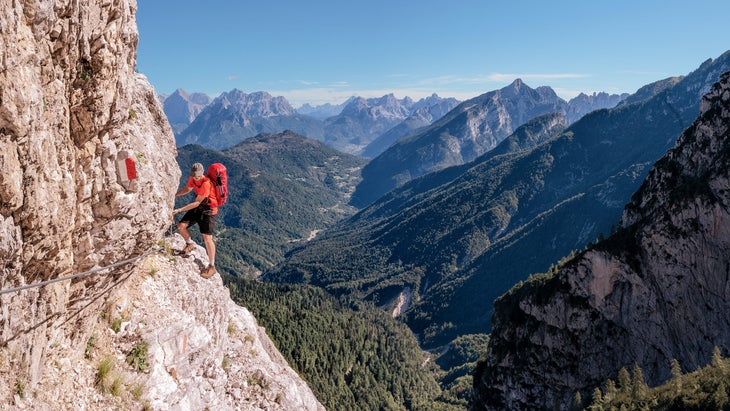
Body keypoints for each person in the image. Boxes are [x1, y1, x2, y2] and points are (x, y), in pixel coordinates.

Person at [172, 163, 218, 279]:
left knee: (207, 238)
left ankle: (212, 266)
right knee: (181, 226)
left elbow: (197, 202)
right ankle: (190, 243)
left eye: (198, 176)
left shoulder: (206, 184)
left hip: (208, 211)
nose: (196, 178)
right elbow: (188, 188)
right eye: (194, 176)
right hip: (198, 208)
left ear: (202, 173)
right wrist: (174, 195)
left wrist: (180, 210)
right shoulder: (193, 178)